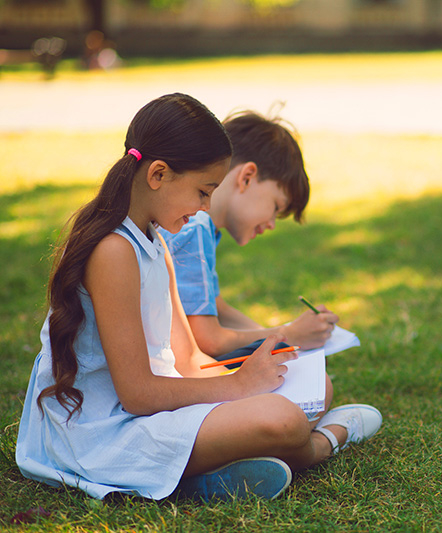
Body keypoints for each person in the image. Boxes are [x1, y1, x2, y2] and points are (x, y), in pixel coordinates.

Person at [15, 93, 382, 502]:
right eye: (202, 192)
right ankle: (324, 441)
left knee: (310, 388)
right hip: (103, 435)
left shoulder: (155, 242)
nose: (205, 207)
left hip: (150, 411)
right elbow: (137, 394)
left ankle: (209, 473)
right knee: (285, 421)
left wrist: (252, 379)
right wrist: (239, 387)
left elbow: (188, 360)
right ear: (158, 174)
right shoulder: (114, 251)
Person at [159, 111, 338, 357]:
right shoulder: (194, 226)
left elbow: (217, 308)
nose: (272, 224)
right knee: (316, 383)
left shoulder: (202, 227)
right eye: (276, 207)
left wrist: (277, 333)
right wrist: (289, 334)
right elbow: (209, 340)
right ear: (247, 177)